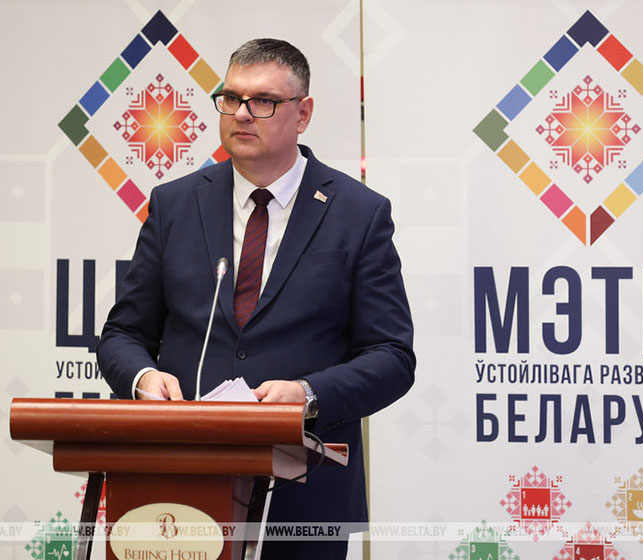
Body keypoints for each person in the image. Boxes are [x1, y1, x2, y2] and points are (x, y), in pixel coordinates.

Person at [96, 38, 415, 558]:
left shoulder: (358, 213)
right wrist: (143, 377)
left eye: (263, 101)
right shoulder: (174, 204)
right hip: (179, 486)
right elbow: (124, 334)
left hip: (305, 496)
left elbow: (392, 357)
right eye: (230, 98)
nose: (241, 114)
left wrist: (308, 394)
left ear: (303, 113)